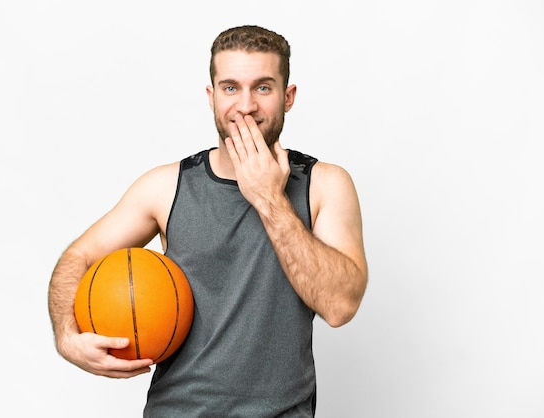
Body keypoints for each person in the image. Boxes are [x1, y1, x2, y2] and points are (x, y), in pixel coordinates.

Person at [48, 24, 368, 417]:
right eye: (231, 88)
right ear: (211, 96)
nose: (246, 105)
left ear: (288, 97)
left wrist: (269, 198)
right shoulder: (165, 187)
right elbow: (78, 256)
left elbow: (340, 306)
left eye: (263, 88)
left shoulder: (324, 185)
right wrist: (67, 335)